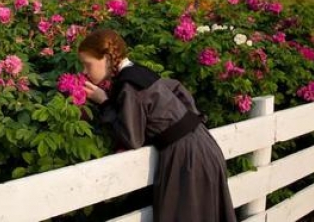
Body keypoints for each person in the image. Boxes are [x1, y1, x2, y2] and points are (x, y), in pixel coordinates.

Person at [78, 29, 237, 222]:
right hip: (203, 143)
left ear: (106, 58)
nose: (84, 72)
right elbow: (180, 91)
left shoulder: (129, 85)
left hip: (186, 156)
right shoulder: (140, 72)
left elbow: (132, 139)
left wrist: (104, 103)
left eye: (88, 65)